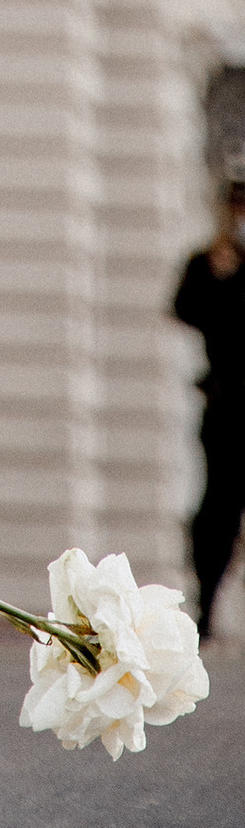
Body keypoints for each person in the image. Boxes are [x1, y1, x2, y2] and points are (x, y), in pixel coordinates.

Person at [172, 183, 245, 636]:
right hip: (226, 405)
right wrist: (219, 278)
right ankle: (208, 601)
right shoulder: (209, 262)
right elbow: (184, 308)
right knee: (219, 508)